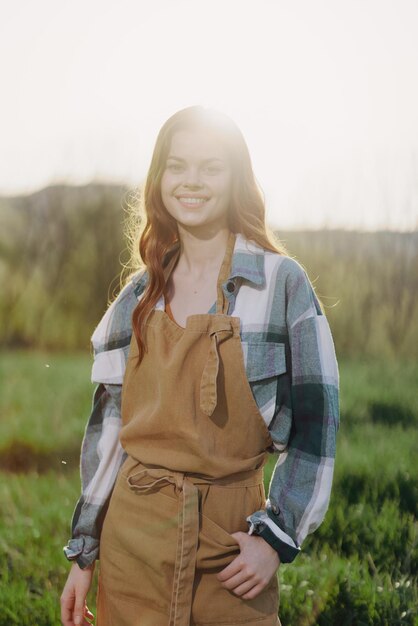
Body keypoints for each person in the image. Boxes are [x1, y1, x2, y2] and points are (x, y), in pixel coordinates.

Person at [60, 105, 340, 626]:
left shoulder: (281, 285)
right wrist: (84, 554)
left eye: (211, 167)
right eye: (177, 165)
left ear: (236, 177)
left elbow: (316, 428)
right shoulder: (138, 297)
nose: (192, 181)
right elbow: (108, 435)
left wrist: (275, 539)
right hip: (132, 550)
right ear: (158, 178)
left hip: (230, 556)